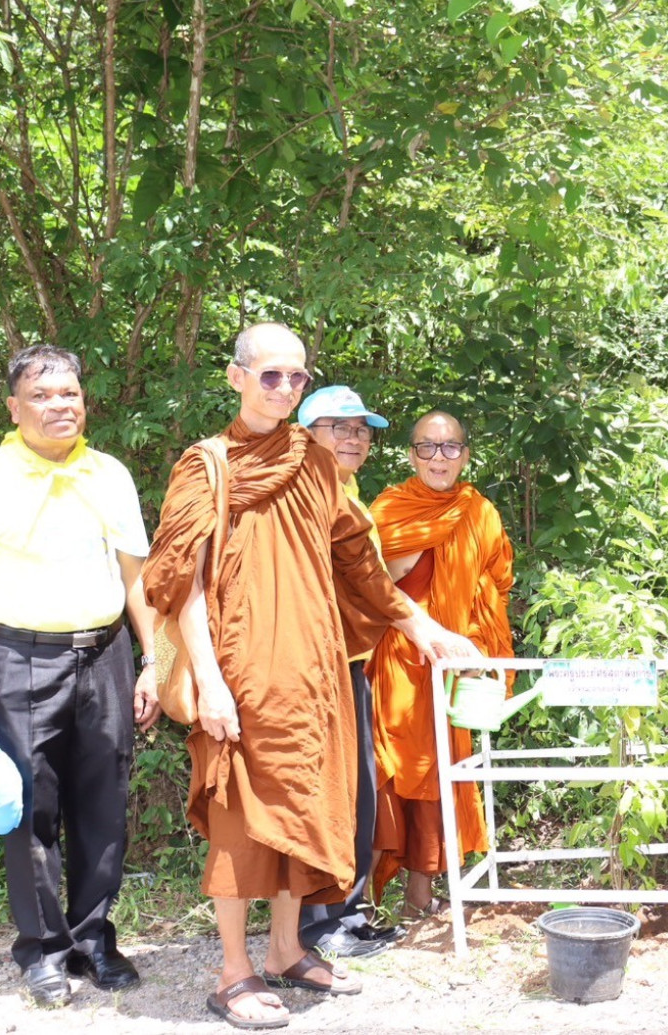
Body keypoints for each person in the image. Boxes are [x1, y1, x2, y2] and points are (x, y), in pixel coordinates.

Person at [143, 323, 479, 1030]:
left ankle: (287, 948)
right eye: (271, 375)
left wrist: (420, 625)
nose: (285, 388)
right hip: (240, 671)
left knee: (307, 807)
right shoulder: (206, 465)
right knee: (239, 819)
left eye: (296, 376)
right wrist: (208, 680)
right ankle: (232, 972)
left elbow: (359, 561)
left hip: (316, 670)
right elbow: (182, 585)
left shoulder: (314, 461)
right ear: (236, 377)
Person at [0, 344, 159, 1007]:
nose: (59, 405)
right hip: (21, 657)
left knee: (104, 801)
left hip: (106, 652)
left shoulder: (109, 473)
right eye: (41, 395)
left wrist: (157, 662)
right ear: (14, 407)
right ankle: (43, 949)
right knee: (28, 807)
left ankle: (94, 939)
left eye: (69, 393)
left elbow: (137, 577)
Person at [368, 411, 515, 919]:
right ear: (411, 455)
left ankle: (420, 894)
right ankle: (360, 902)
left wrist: (478, 646)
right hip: (398, 664)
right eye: (427, 447)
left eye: (450, 447)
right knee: (389, 772)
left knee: (440, 772)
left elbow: (493, 588)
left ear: (465, 455)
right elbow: (364, 584)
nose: (438, 457)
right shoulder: (388, 509)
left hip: (452, 667)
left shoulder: (479, 513)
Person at [292, 385, 406, 959]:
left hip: (352, 663)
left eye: (361, 429)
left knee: (357, 792)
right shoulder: (300, 497)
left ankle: (350, 912)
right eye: (339, 427)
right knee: (322, 793)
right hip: (311, 668)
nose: (354, 438)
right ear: (305, 435)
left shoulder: (351, 493)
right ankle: (317, 924)